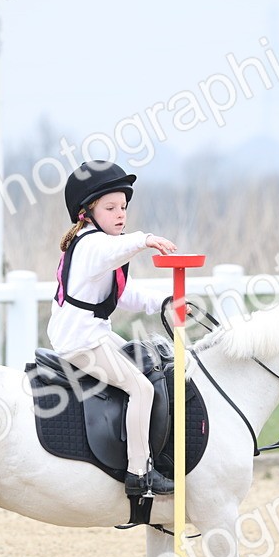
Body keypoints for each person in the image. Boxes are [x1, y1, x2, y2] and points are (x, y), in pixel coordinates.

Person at [49, 161, 179, 496]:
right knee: (141, 388)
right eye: (110, 208)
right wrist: (145, 239)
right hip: (82, 341)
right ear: (87, 212)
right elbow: (118, 248)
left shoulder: (101, 244)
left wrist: (164, 301)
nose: (120, 214)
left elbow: (126, 294)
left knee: (148, 367)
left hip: (93, 334)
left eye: (123, 207)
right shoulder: (93, 244)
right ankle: (139, 473)